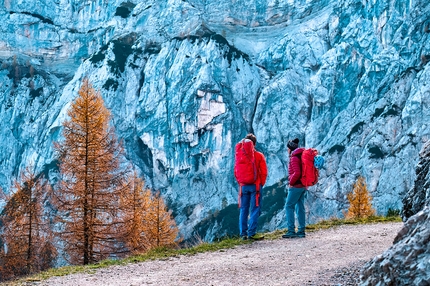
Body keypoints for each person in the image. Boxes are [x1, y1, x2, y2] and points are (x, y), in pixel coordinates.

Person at [238, 133, 268, 240]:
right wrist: (261, 184)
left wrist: (241, 182)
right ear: (254, 144)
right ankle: (251, 233)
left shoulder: (240, 155)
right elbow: (264, 172)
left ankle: (243, 234)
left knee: (243, 209)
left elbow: (236, 171)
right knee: (255, 209)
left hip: (243, 186)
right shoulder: (259, 155)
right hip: (255, 186)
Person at [282, 138, 307, 238]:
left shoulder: (294, 158)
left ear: (290, 148)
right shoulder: (300, 156)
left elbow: (297, 173)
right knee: (300, 207)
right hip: (302, 185)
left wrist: (291, 183)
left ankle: (291, 230)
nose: (287, 150)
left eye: (288, 148)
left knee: (289, 206)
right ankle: (301, 230)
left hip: (296, 186)